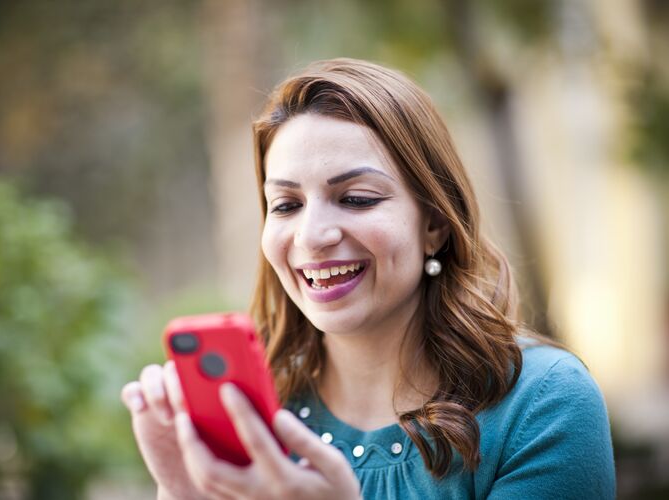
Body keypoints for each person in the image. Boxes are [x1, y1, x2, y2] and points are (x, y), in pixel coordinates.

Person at [121, 58, 616, 499]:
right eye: (287, 205)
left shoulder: (543, 404)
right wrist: (181, 492)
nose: (312, 236)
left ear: (434, 225)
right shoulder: (255, 419)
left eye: (356, 198)